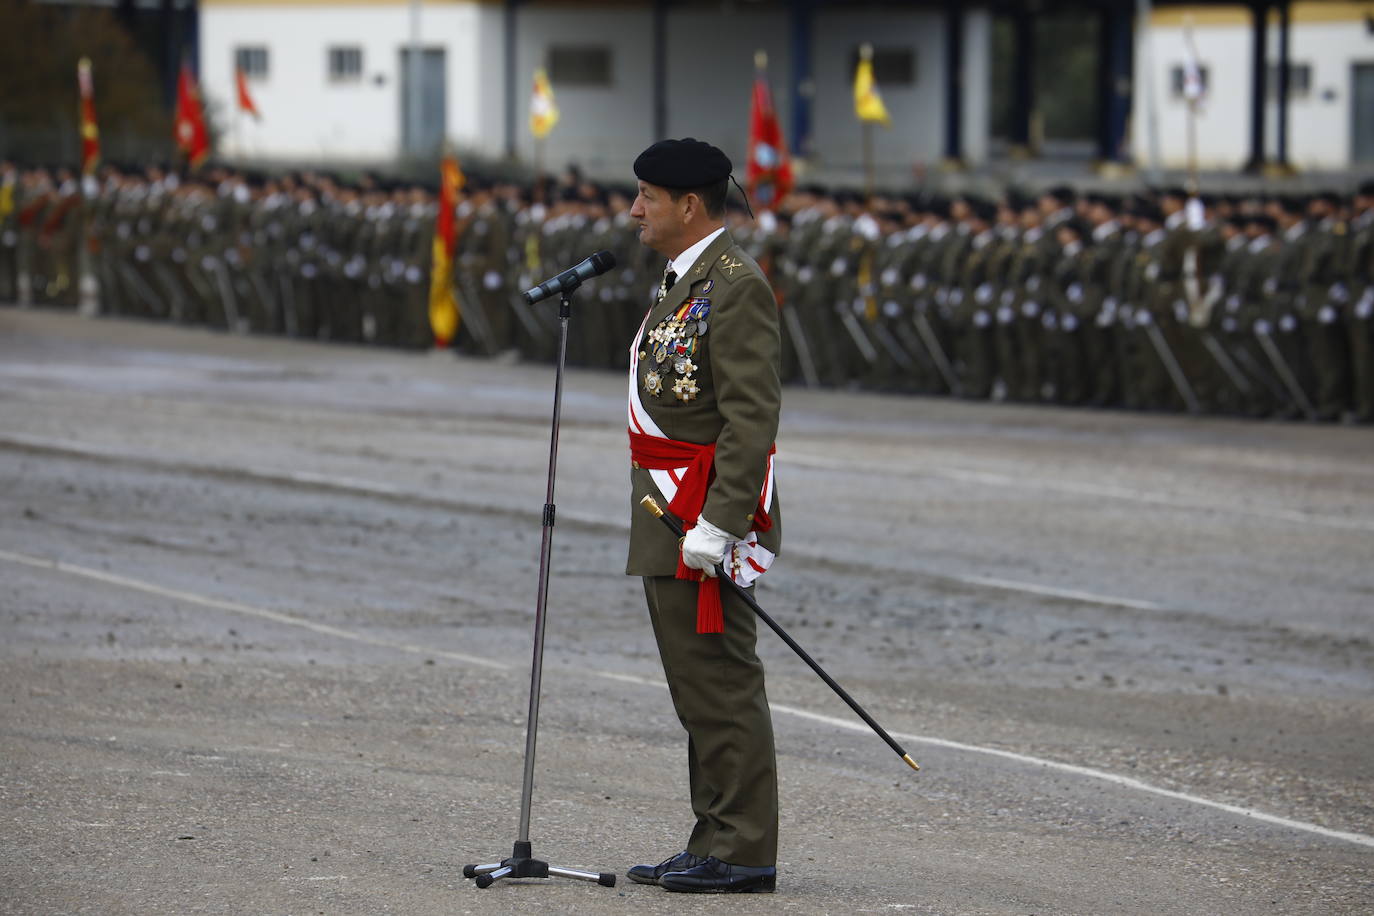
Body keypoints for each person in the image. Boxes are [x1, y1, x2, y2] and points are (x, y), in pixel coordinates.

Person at [623, 137, 783, 894]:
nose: (634, 212)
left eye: (646, 198)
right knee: (696, 688)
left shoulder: (736, 284)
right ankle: (714, 835)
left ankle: (745, 846)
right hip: (667, 509)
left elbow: (750, 418)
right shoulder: (684, 279)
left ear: (689, 205)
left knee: (721, 683)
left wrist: (720, 526)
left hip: (700, 515)